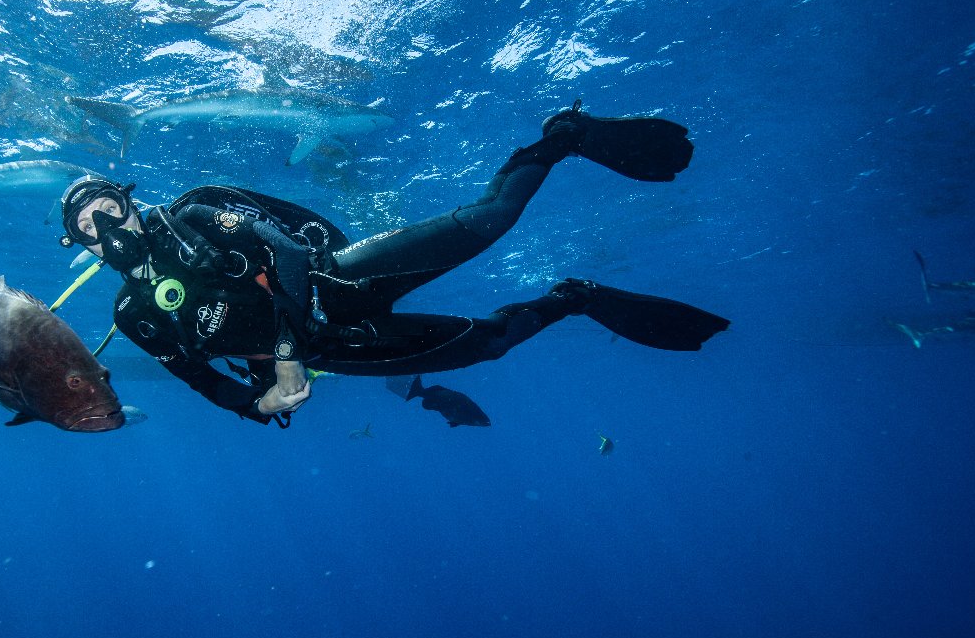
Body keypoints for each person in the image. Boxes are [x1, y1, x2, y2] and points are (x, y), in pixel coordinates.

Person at [57, 100, 729, 426]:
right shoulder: (133, 315)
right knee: (489, 346)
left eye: (109, 210)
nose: (106, 231)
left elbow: (287, 250)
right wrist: (260, 403)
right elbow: (202, 381)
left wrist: (286, 352)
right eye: (89, 230)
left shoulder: (196, 214)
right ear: (82, 248)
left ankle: (563, 137)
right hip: (333, 346)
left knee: (490, 218)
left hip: (337, 281)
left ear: (129, 204)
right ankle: (575, 297)